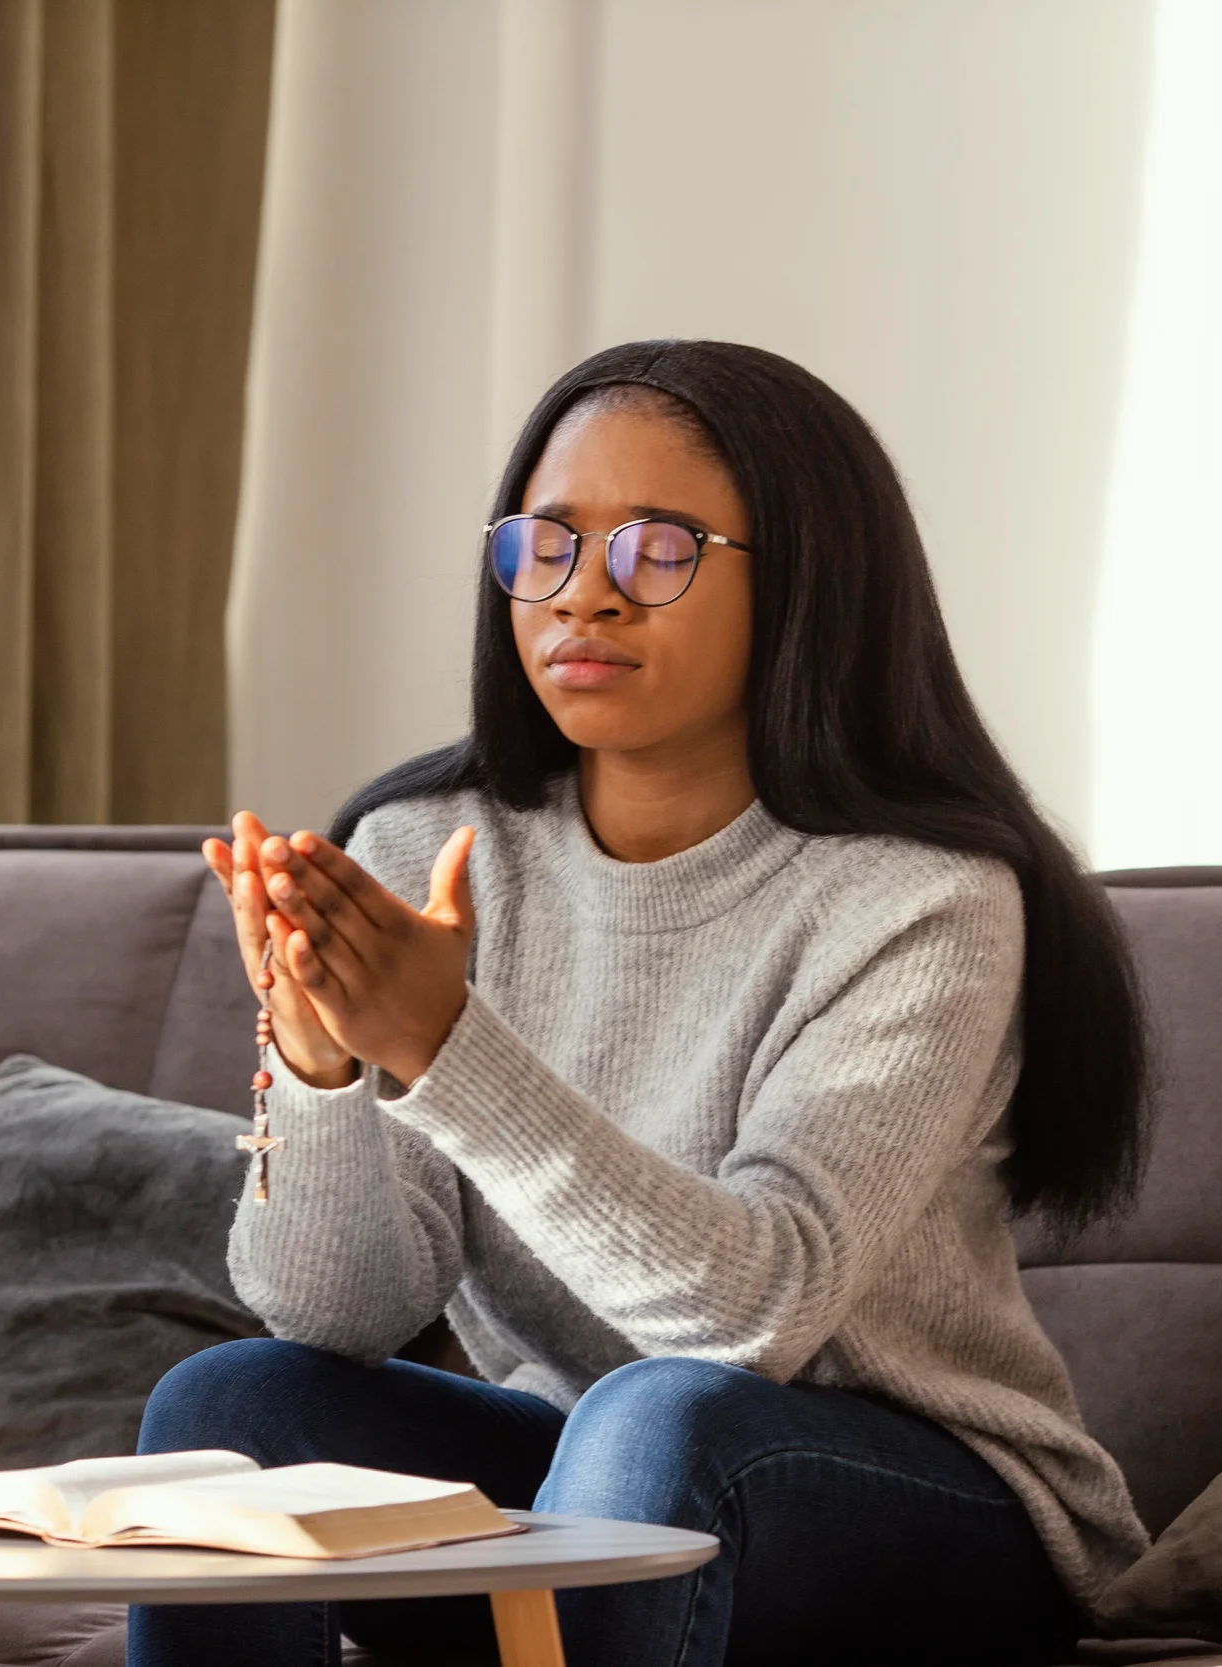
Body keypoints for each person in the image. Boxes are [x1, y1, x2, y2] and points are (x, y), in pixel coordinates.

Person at [129, 340, 1151, 1667]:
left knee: (661, 1420)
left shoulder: (921, 895)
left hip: (916, 1502)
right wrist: (321, 1068)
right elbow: (336, 1312)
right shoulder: (428, 842)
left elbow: (757, 1313)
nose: (583, 598)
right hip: (592, 1477)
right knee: (235, 1403)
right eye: (545, 545)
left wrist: (441, 1046)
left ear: (802, 584)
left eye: (655, 552)